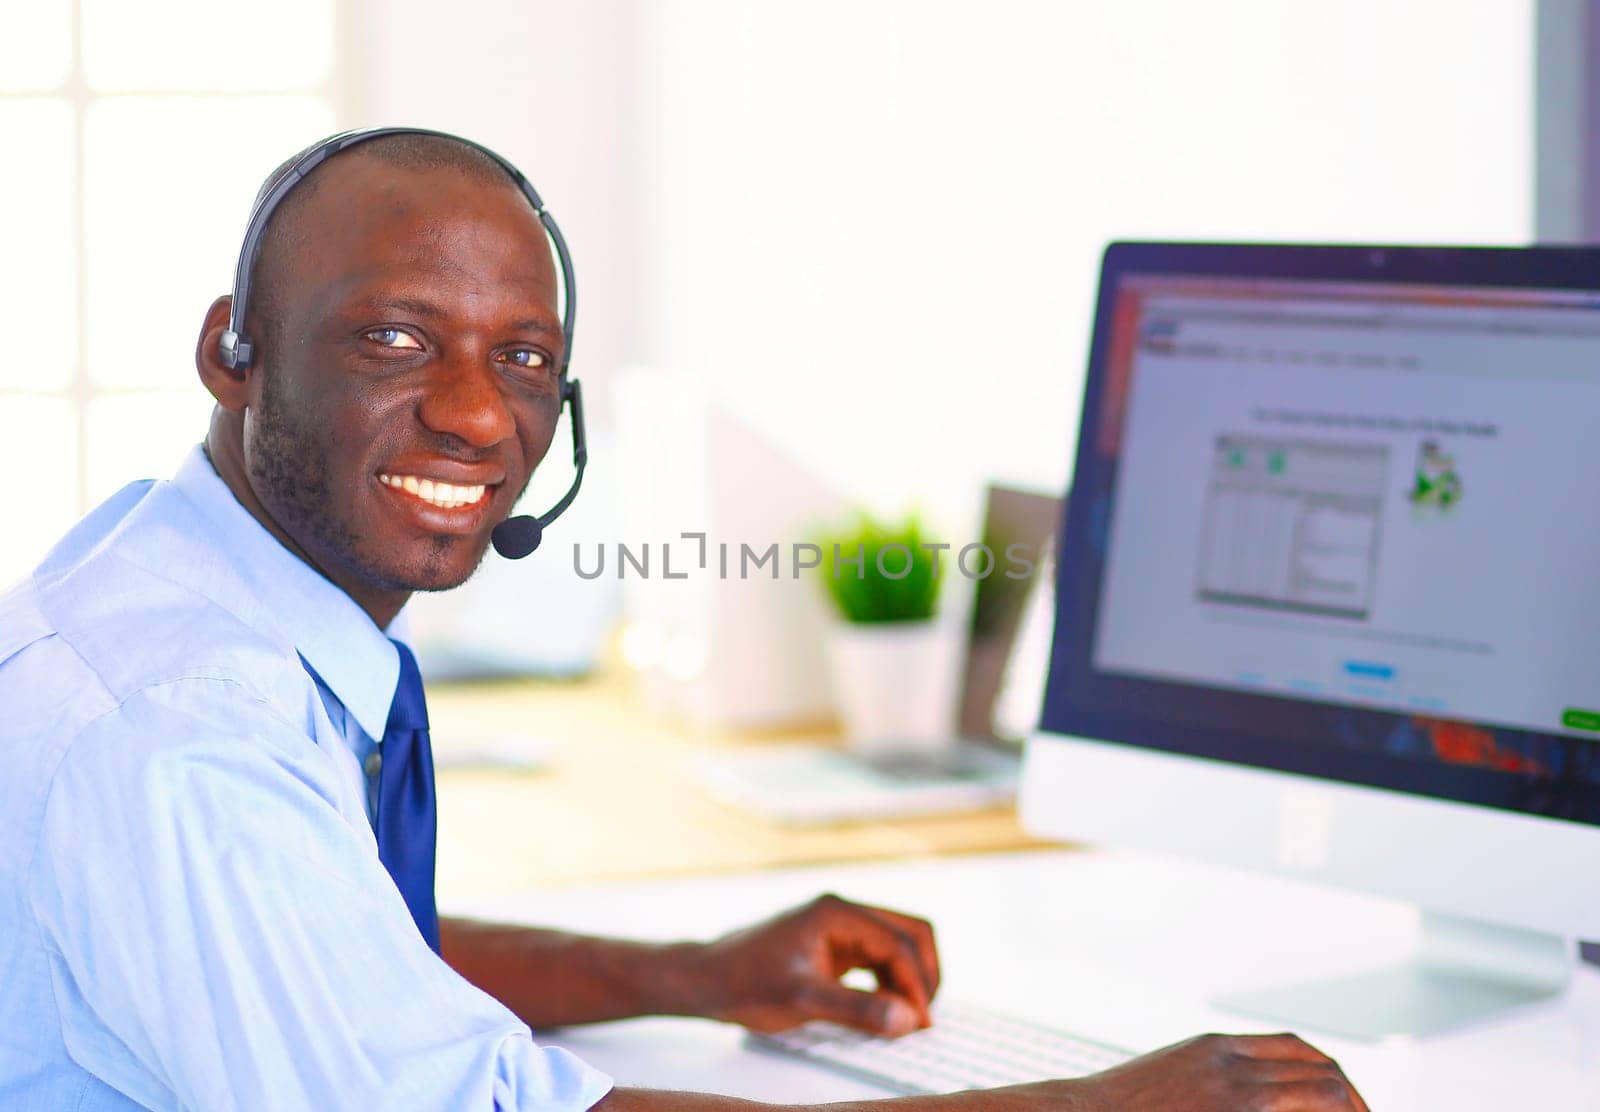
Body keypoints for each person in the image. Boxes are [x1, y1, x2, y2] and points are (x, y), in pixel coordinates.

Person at [0, 130, 1368, 1111]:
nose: (480, 416)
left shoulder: (165, 562)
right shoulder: (184, 730)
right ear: (232, 349)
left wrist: (698, 973)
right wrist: (1102, 1111)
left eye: (524, 359)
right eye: (396, 339)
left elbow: (339, 959)